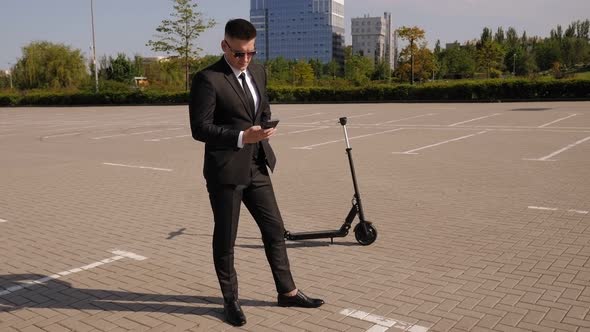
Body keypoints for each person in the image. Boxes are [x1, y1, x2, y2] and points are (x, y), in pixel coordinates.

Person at [189, 18, 324, 327]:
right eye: (239, 53)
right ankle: (230, 301)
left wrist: (264, 127)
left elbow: (262, 107)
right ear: (224, 46)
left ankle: (287, 292)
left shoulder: (259, 71)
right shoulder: (208, 79)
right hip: (225, 171)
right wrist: (240, 137)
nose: (246, 59)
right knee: (226, 239)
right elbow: (200, 128)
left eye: (251, 52)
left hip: (257, 164)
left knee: (274, 229)